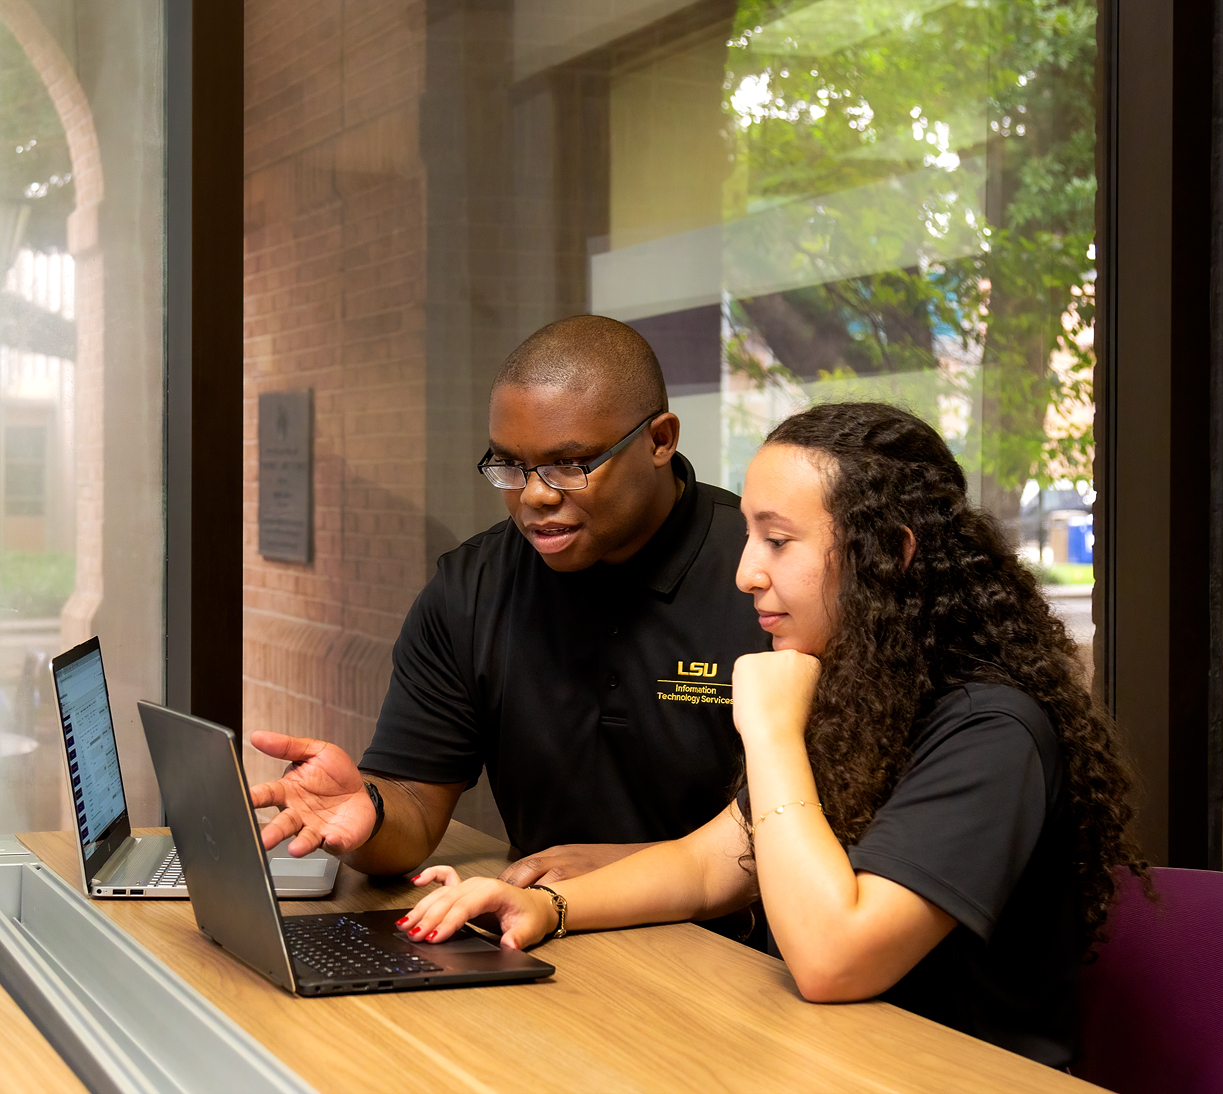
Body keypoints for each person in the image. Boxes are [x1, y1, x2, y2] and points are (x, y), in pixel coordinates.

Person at [393, 401, 1145, 1069]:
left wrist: (771, 731)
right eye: (750, 536)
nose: (747, 572)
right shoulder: (862, 693)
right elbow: (713, 861)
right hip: (828, 1058)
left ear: (894, 554)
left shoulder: (990, 729)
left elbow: (832, 960)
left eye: (778, 541)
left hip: (939, 1073)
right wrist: (550, 910)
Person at [248, 315, 770, 889]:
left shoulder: (766, 578)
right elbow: (414, 810)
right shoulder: (471, 589)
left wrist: (635, 868)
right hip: (542, 928)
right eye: (511, 467)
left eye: (570, 465)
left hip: (738, 950)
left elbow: (827, 828)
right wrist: (368, 813)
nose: (536, 496)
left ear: (659, 441)